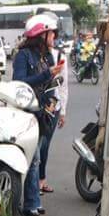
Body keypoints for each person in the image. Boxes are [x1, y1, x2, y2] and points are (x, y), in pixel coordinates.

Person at [11, 13, 63, 216]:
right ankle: (30, 202)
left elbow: (50, 85)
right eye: (50, 33)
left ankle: (33, 200)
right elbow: (19, 82)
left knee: (37, 156)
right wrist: (47, 74)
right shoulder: (23, 56)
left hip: (43, 111)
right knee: (32, 157)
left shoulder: (48, 56)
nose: (53, 37)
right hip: (26, 110)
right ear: (40, 35)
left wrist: (54, 100)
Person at [38, 12, 69, 196]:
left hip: (53, 107)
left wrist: (63, 111)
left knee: (45, 144)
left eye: (52, 34)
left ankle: (41, 180)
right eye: (49, 34)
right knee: (37, 145)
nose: (52, 37)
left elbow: (63, 86)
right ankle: (35, 180)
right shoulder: (33, 55)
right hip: (36, 105)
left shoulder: (59, 57)